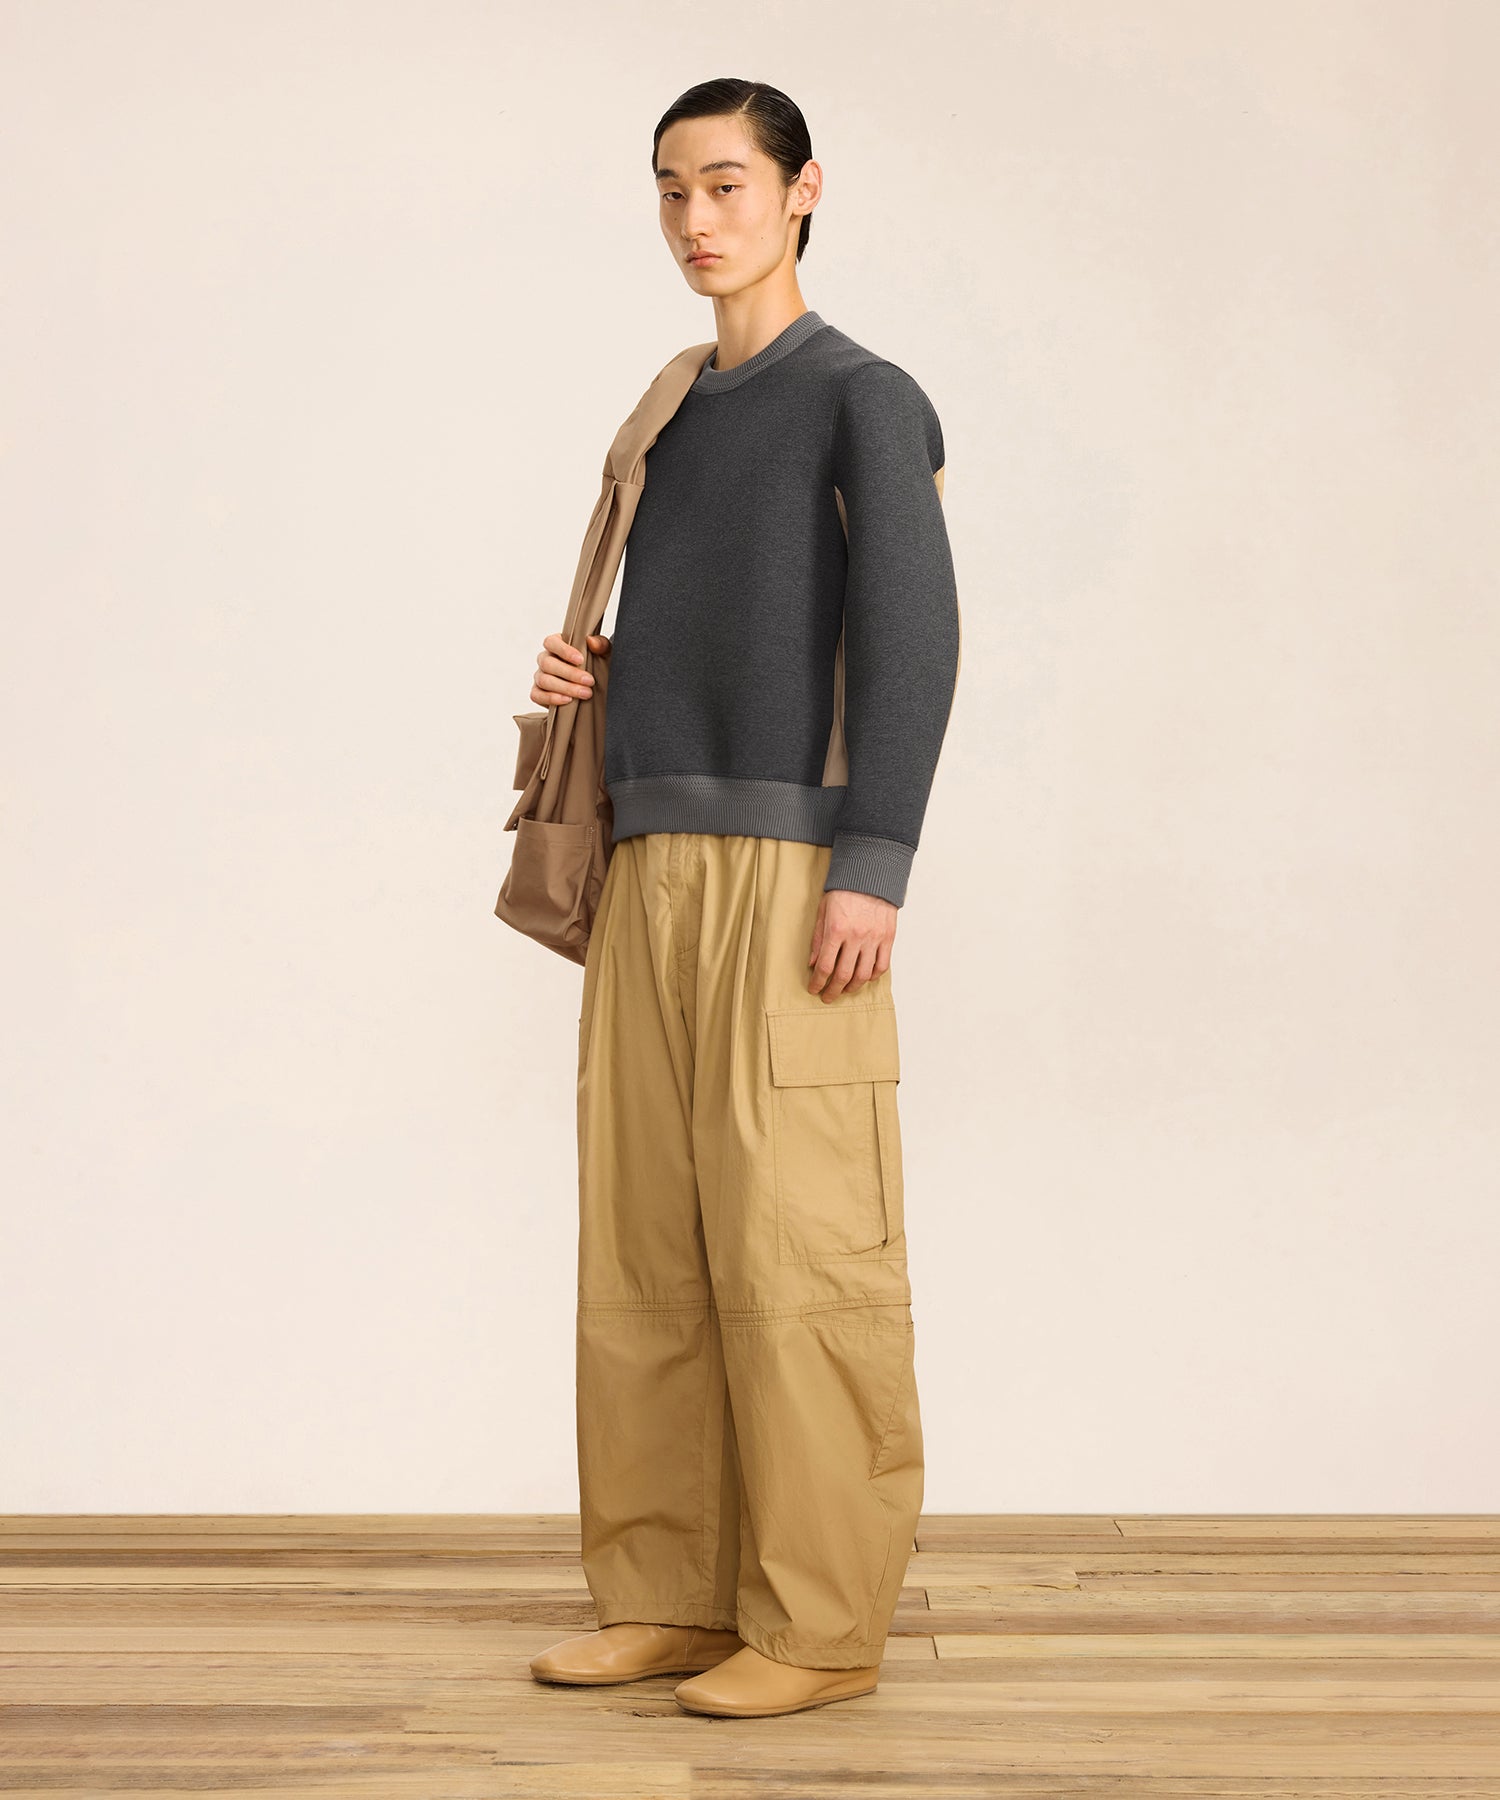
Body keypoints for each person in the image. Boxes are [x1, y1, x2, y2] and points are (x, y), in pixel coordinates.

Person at [526, 77, 961, 1720]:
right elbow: (729, 625)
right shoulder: (673, 413)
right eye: (670, 189)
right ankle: (667, 1594)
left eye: (725, 184)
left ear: (801, 191)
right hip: (650, 860)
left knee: (801, 1252)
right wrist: (602, 673)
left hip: (792, 875)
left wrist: (875, 865)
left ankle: (822, 1624)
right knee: (646, 1247)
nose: (695, 218)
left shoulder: (863, 397)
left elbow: (912, 643)